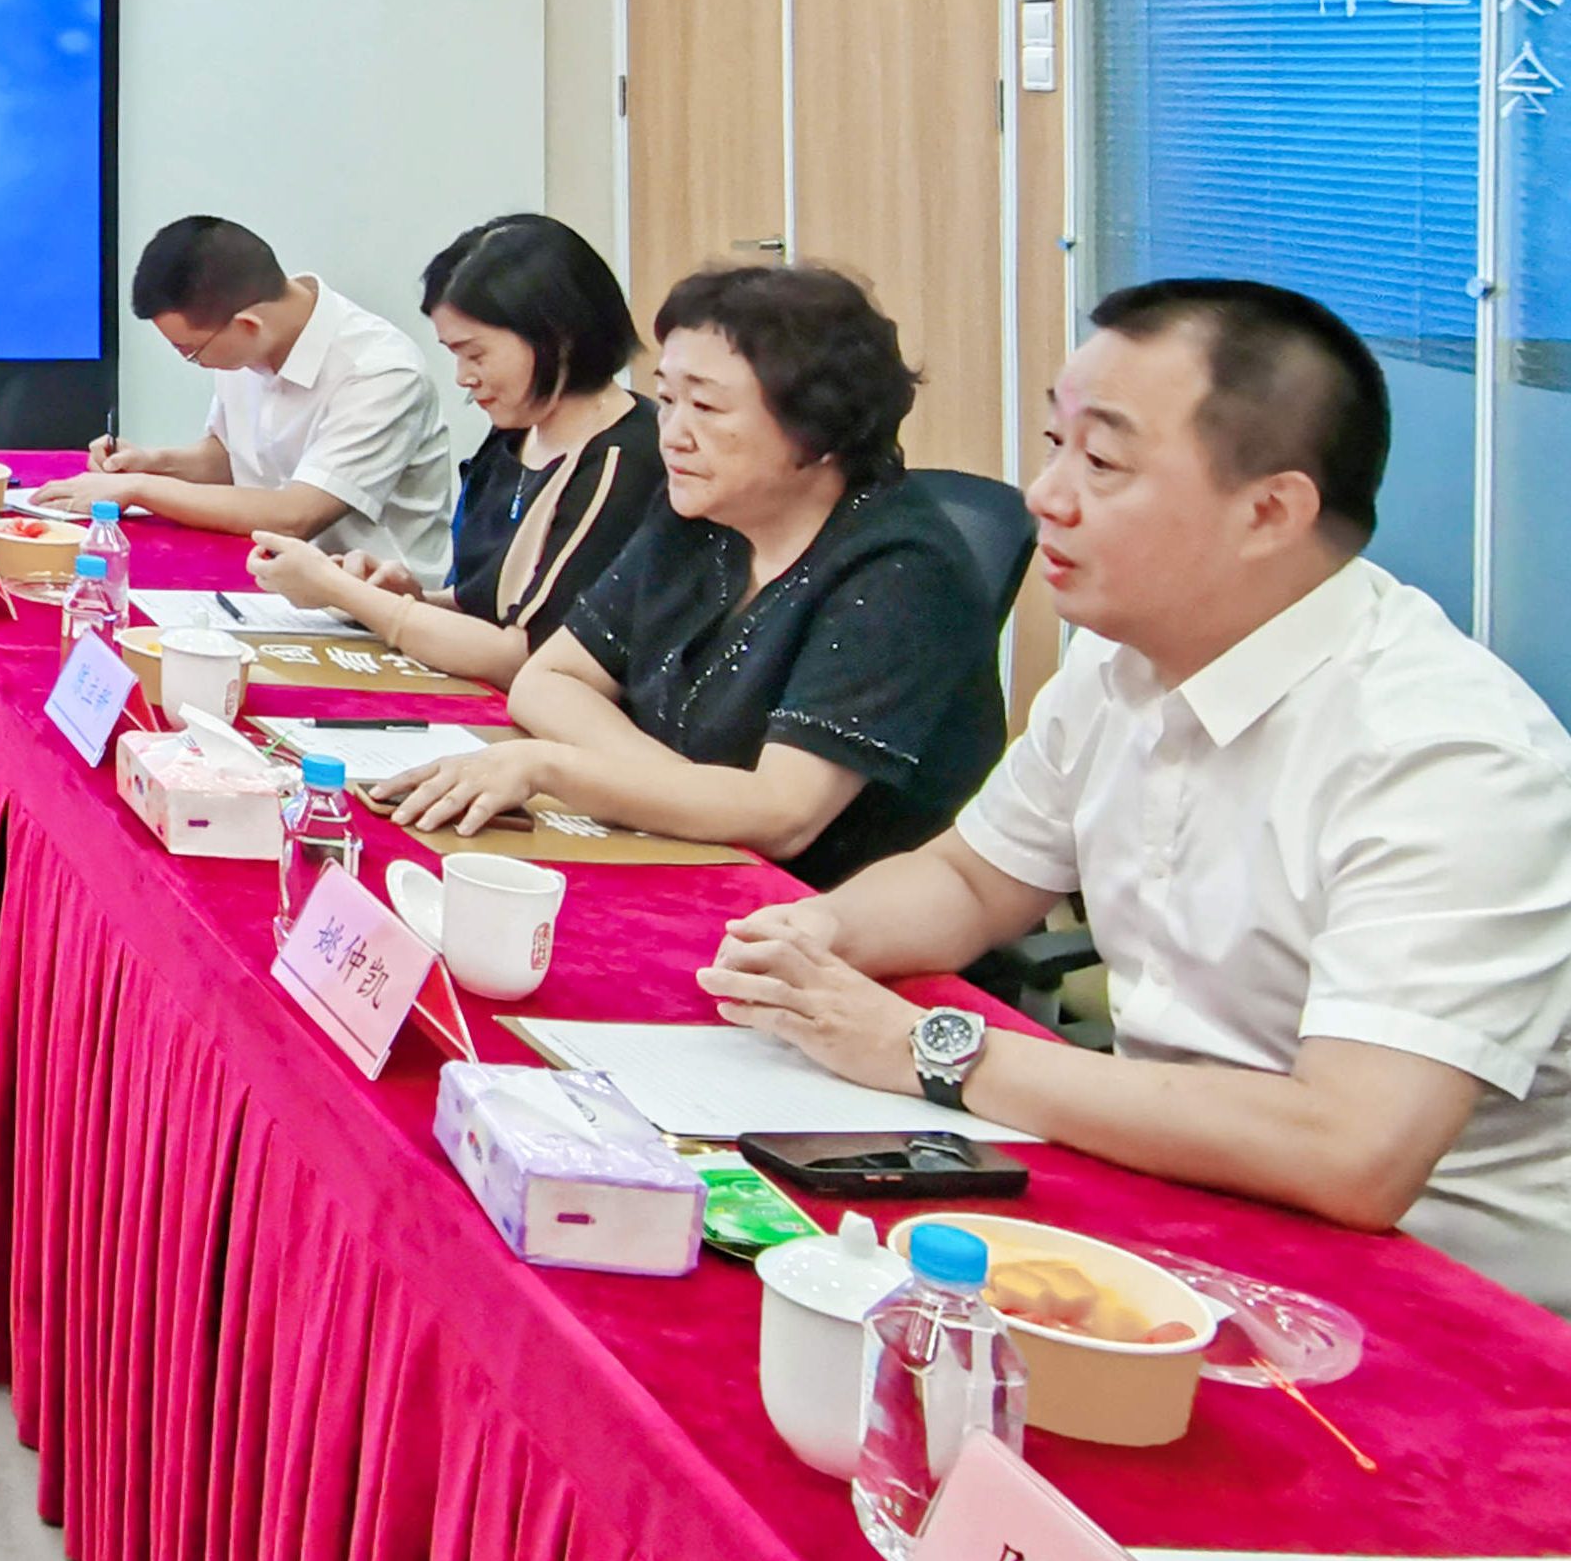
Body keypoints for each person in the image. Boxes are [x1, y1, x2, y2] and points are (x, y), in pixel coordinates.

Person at [703, 281, 1571, 1311]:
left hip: (1432, 1301)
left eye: (1103, 463)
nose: (1045, 494)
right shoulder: (1120, 665)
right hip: (1180, 1202)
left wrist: (928, 1048)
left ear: (1269, 512)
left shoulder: (1446, 757)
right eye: (1054, 444)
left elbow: (1351, 1150)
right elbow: (974, 878)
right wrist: (818, 936)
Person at [380, 260, 1005, 883]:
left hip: (816, 908)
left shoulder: (902, 574)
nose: (673, 434)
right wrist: (680, 791)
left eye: (705, 406)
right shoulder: (701, 513)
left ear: (821, 427)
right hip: (676, 850)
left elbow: (784, 815)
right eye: (668, 399)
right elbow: (548, 680)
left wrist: (555, 769)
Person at [247, 213, 665, 687]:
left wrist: (342, 592)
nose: (464, 377)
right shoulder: (517, 432)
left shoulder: (621, 461)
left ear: (556, 337)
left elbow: (527, 656)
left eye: (476, 354)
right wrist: (408, 599)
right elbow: (486, 607)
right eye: (455, 354)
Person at [21, 215, 462, 577]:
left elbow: (295, 515)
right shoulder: (247, 341)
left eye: (191, 351)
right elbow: (231, 459)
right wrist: (153, 462)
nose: (192, 362)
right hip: (269, 577)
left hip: (372, 605)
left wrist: (138, 488)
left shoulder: (379, 372)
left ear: (248, 325)